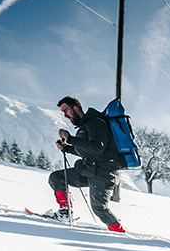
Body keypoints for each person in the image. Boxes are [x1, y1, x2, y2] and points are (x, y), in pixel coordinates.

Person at [46, 96, 126, 232]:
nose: (65, 115)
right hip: (90, 170)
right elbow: (89, 151)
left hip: (104, 173)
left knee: (99, 208)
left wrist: (70, 138)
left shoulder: (95, 122)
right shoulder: (86, 125)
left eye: (66, 111)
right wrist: (67, 148)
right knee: (57, 177)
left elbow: (97, 147)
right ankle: (65, 213)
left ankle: (119, 232)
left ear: (75, 108)